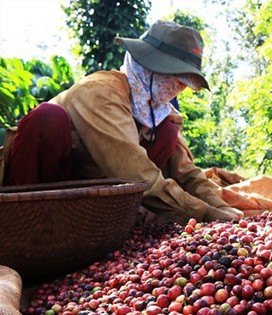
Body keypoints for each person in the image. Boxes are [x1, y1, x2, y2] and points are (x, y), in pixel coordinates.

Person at [1, 20, 243, 224]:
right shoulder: (101, 91)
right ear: (149, 67)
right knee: (48, 118)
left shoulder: (159, 113)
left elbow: (187, 172)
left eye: (186, 82)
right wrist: (203, 214)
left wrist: (222, 209)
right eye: (178, 77)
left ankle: (103, 223)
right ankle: (20, 224)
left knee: (168, 132)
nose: (181, 87)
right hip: (46, 187)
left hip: (91, 201)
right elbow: (135, 172)